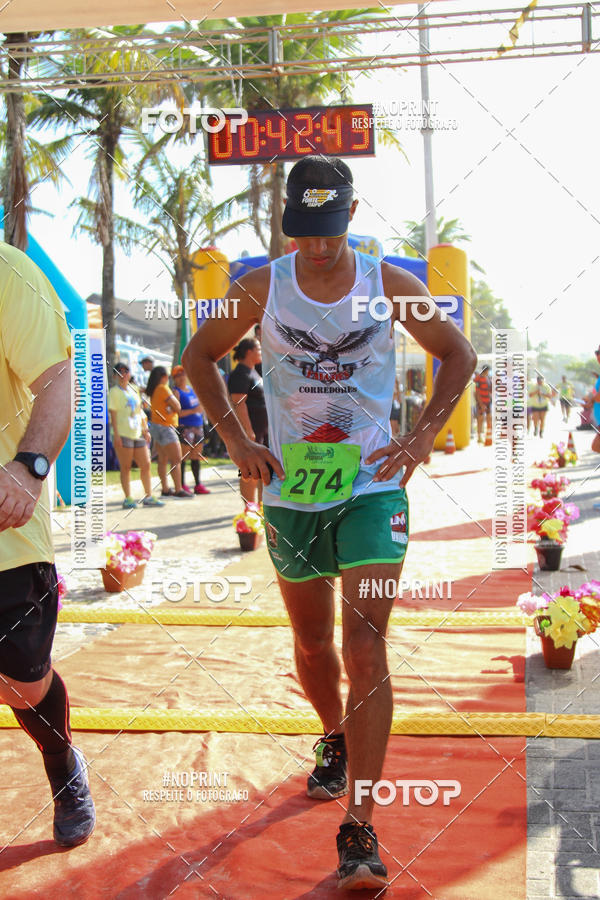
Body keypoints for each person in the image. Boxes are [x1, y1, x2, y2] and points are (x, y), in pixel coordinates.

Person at [183, 156, 477, 891]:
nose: (317, 246)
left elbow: (457, 355)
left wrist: (420, 438)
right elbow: (198, 357)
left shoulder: (387, 285)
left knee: (367, 644)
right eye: (303, 232)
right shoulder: (263, 287)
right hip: (290, 494)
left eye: (328, 229)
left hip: (372, 488)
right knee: (314, 646)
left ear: (351, 215)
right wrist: (239, 440)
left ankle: (361, 830)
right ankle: (333, 736)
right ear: (292, 224)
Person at [0, 241, 95, 847]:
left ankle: (62, 763)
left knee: (20, 683)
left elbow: (60, 378)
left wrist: (28, 467)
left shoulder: (8, 272)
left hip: (6, 530)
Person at [108, 362, 164, 508]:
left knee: (145, 464)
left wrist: (145, 429)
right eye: (119, 372)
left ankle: (149, 496)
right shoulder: (114, 392)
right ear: (114, 376)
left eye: (125, 371)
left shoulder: (134, 390)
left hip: (137, 433)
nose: (123, 375)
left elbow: (140, 412)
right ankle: (128, 498)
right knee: (125, 467)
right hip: (123, 433)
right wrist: (116, 436)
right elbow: (112, 415)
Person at [228, 337, 268, 506]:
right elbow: (238, 403)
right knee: (249, 471)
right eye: (258, 349)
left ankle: (261, 509)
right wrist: (247, 430)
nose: (261, 352)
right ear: (249, 352)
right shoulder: (240, 373)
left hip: (262, 430)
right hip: (251, 430)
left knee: (263, 469)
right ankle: (249, 509)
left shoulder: (254, 371)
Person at [144, 366, 191, 498]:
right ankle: (178, 489)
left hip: (156, 425)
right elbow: (177, 406)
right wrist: (172, 406)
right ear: (164, 377)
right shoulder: (163, 388)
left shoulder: (154, 389)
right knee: (176, 459)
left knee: (162, 460)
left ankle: (165, 488)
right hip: (166, 426)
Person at [171, 365, 210, 495]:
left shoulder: (192, 390)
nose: (181, 377)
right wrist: (193, 411)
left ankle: (198, 484)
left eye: (183, 374)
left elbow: (201, 405)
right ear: (174, 378)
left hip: (197, 425)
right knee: (184, 456)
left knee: (196, 455)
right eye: (178, 375)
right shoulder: (176, 392)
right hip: (185, 426)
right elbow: (177, 412)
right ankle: (182, 484)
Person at [473, 364, 492, 443]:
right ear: (486, 370)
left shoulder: (488, 379)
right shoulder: (478, 379)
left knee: (488, 418)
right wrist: (481, 404)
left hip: (488, 401)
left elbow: (490, 390)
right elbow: (477, 392)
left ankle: (488, 435)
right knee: (480, 419)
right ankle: (479, 437)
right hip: (481, 402)